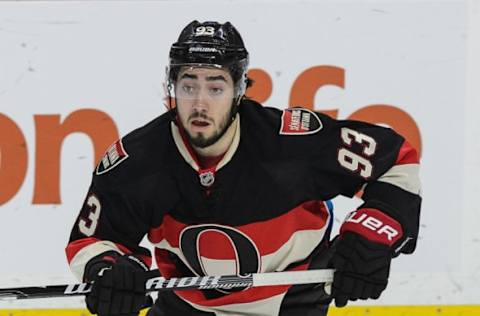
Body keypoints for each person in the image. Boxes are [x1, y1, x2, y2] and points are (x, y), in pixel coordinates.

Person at [66, 20, 421, 316]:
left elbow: (396, 160)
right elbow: (92, 239)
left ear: (239, 91)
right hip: (187, 304)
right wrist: (108, 269)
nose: (200, 103)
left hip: (293, 301)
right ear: (170, 89)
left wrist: (372, 236)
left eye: (215, 86)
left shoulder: (292, 143)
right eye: (188, 85)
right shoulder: (138, 160)